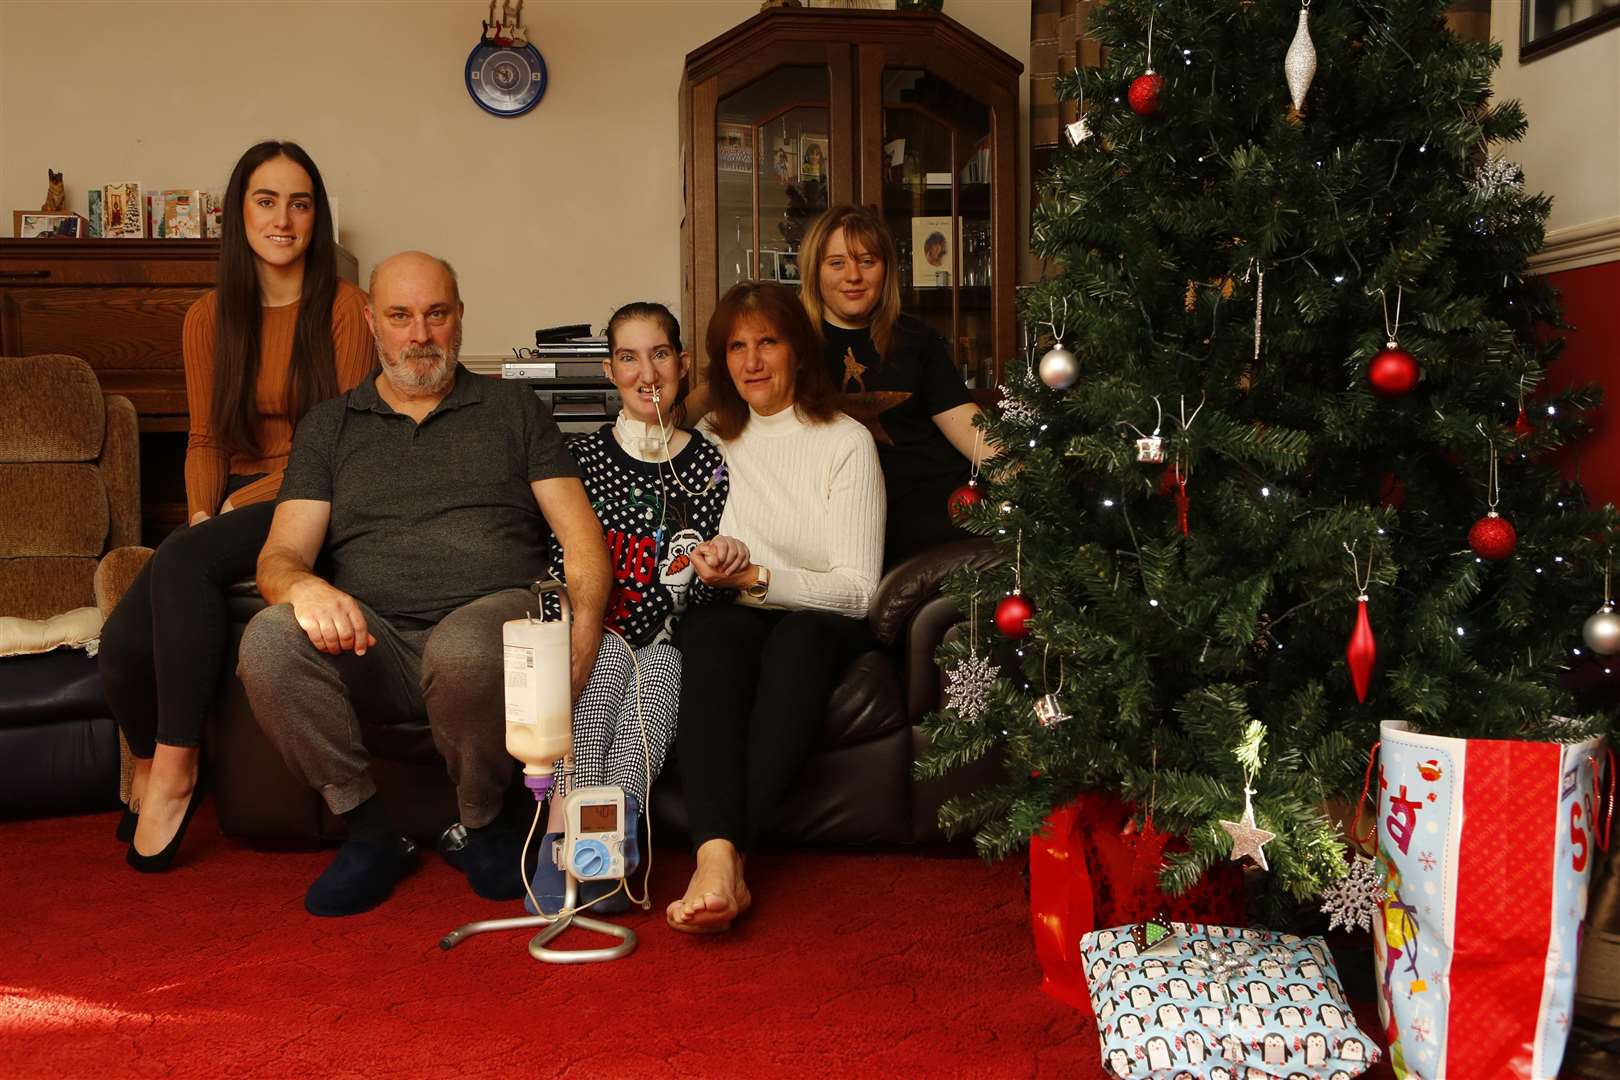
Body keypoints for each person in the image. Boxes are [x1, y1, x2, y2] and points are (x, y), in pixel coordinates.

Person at [236, 251, 611, 917]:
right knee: (267, 640)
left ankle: (483, 822)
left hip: (491, 626)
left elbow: (582, 542)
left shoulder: (512, 408)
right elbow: (280, 555)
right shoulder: (330, 426)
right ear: (372, 322)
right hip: (370, 643)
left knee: (463, 646)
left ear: (460, 318)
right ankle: (370, 830)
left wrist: (580, 643)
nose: (420, 335)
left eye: (436, 314)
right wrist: (303, 589)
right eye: (401, 316)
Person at [99, 140, 375, 872]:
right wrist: (200, 514)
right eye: (266, 200)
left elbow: (337, 447)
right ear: (237, 214)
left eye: (300, 202)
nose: (283, 218)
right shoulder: (207, 317)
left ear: (317, 219)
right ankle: (151, 763)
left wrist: (223, 517)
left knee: (185, 560)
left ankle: (178, 771)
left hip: (318, 500)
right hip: (239, 504)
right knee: (125, 642)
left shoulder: (347, 310)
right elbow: (204, 437)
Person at [667, 281, 884, 934]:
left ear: (798, 351)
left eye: (768, 342)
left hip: (822, 619)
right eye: (736, 346)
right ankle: (718, 859)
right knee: (711, 641)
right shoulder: (709, 439)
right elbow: (682, 546)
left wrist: (759, 575)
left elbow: (858, 590)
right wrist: (708, 559)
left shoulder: (845, 442)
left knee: (797, 645)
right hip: (732, 609)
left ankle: (722, 856)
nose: (752, 361)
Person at [530, 301, 729, 914]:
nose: (647, 371)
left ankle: (618, 829)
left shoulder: (713, 464)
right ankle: (568, 829)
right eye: (628, 357)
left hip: (673, 633)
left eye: (660, 354)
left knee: (659, 678)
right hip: (599, 627)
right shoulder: (583, 462)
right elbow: (556, 567)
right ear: (611, 371)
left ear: (683, 363)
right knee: (608, 669)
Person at [799, 203, 999, 565]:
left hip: (932, 501)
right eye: (837, 263)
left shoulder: (916, 339)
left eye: (867, 261)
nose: (853, 276)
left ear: (886, 269)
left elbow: (972, 431)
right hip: (848, 511)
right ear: (814, 271)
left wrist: (1033, 481)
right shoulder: (791, 342)